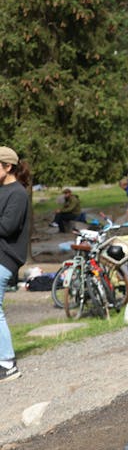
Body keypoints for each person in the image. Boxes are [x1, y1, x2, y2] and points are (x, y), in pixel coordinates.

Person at [0, 147, 29, 383]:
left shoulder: (18, 194)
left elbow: (7, 227)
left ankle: (8, 364)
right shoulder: (3, 191)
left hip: (5, 258)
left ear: (7, 167)